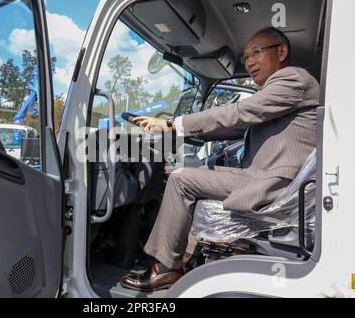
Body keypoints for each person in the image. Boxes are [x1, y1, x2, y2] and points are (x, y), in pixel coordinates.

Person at [120, 27, 320, 291]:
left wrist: (173, 124)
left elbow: (241, 112)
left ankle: (165, 270)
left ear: (281, 51)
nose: (248, 62)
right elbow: (237, 127)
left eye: (255, 53)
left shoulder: (292, 79)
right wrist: (189, 132)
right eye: (246, 57)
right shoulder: (279, 94)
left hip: (276, 184)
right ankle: (186, 261)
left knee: (181, 179)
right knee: (198, 175)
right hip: (274, 178)